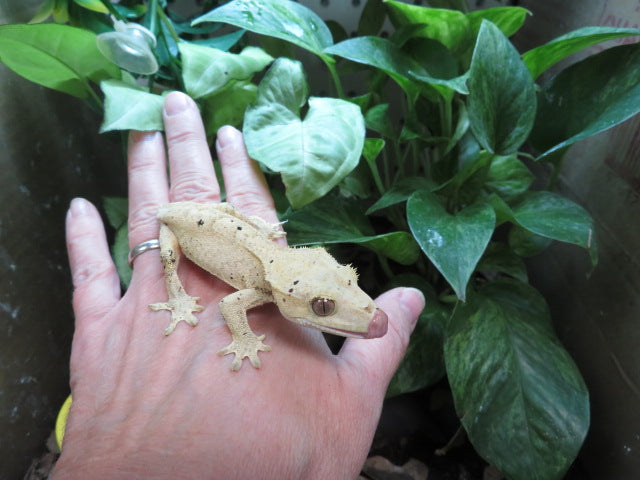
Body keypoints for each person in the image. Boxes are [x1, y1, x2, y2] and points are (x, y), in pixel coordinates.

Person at [51, 92, 425, 479]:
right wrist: (240, 336)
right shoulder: (260, 290)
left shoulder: (282, 276)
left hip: (220, 218)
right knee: (169, 261)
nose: (362, 306)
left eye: (349, 281)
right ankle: (177, 296)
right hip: (175, 228)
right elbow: (228, 306)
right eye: (323, 307)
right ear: (285, 295)